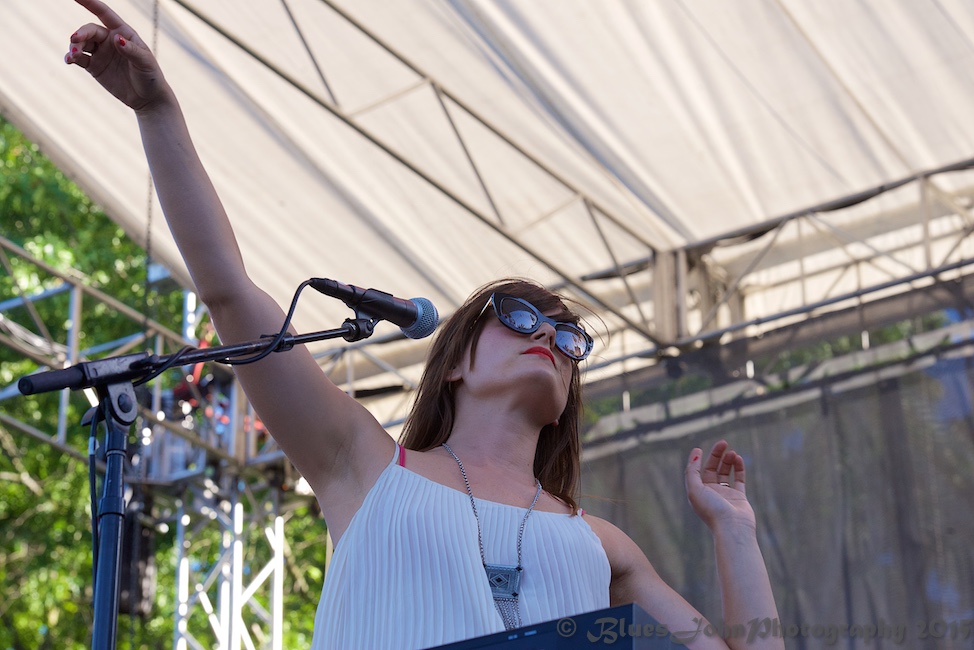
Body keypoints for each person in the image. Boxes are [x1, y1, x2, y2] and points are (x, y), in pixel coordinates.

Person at [65, 1, 783, 648]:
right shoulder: (363, 464)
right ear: (456, 361)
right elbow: (227, 292)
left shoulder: (604, 546)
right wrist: (156, 109)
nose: (549, 337)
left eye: (570, 339)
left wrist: (735, 530)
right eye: (520, 317)